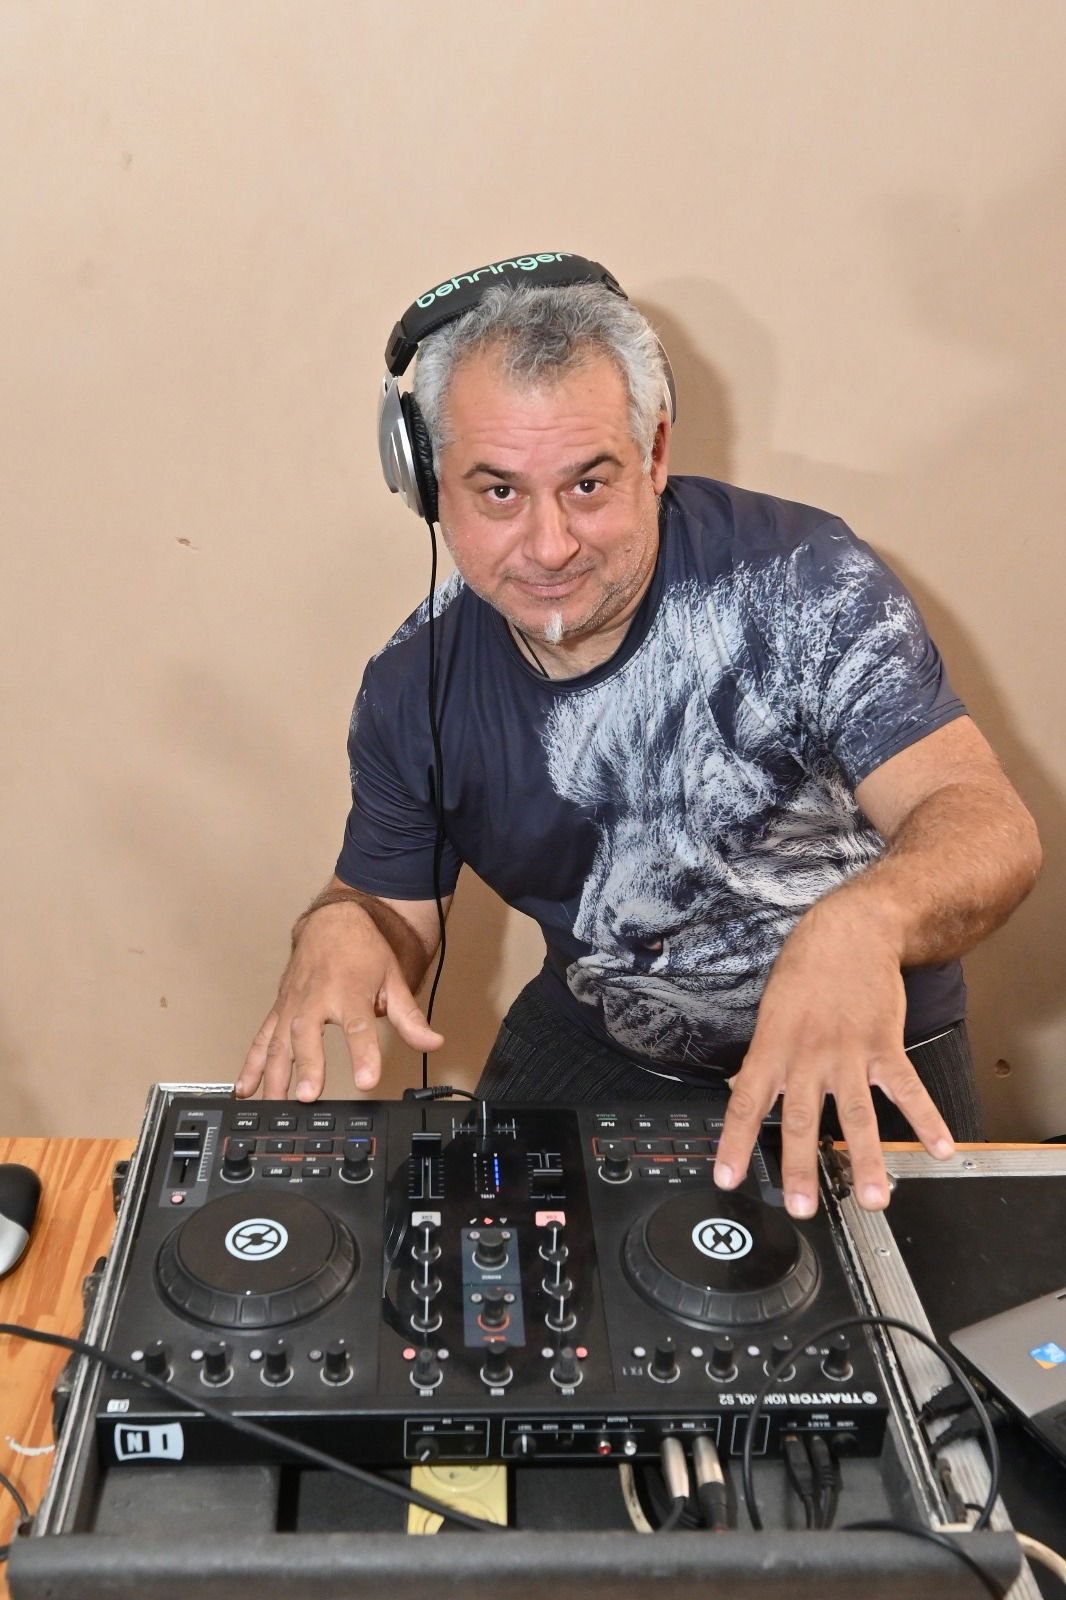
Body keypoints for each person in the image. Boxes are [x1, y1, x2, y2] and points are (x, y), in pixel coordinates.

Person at [237, 254, 1041, 1220]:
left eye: (588, 484)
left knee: (909, 1304)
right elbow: (390, 912)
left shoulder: (803, 581)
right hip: (604, 1036)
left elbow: (985, 822)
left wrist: (864, 921)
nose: (549, 546)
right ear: (428, 485)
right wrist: (341, 924)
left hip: (861, 1027)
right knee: (477, 1277)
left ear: (654, 455)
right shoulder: (413, 687)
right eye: (498, 493)